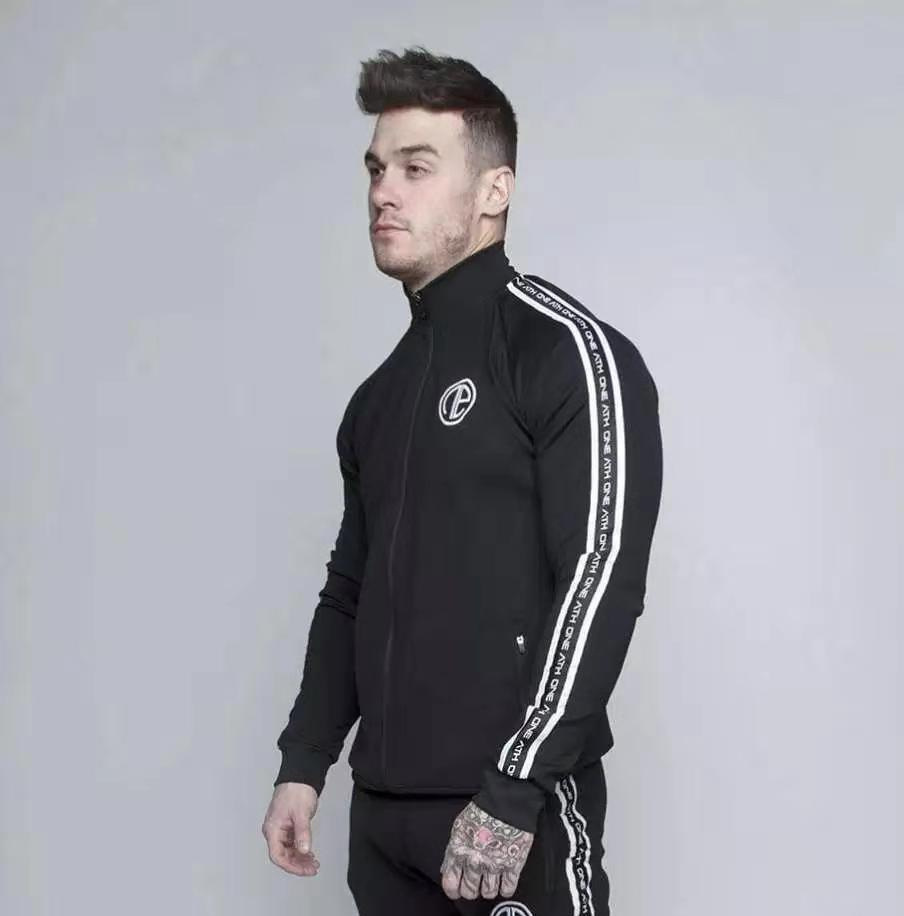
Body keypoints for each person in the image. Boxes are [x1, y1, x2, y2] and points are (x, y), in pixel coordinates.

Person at [261, 45, 664, 916]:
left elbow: (599, 578)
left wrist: (515, 786)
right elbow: (350, 592)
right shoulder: (377, 400)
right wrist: (305, 761)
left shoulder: (565, 353)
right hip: (384, 824)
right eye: (375, 169)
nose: (383, 192)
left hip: (507, 810)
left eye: (416, 168)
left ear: (493, 191)